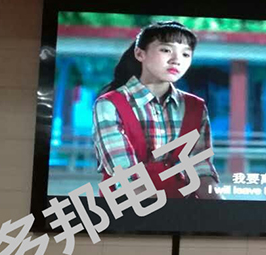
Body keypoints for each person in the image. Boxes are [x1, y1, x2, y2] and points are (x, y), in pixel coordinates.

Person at [92, 20, 222, 199]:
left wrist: (223, 209)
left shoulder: (196, 106)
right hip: (127, 209)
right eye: (166, 50)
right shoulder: (110, 104)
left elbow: (201, 169)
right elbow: (125, 174)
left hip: (184, 210)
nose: (176, 60)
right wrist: (163, 213)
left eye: (185, 54)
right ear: (140, 54)